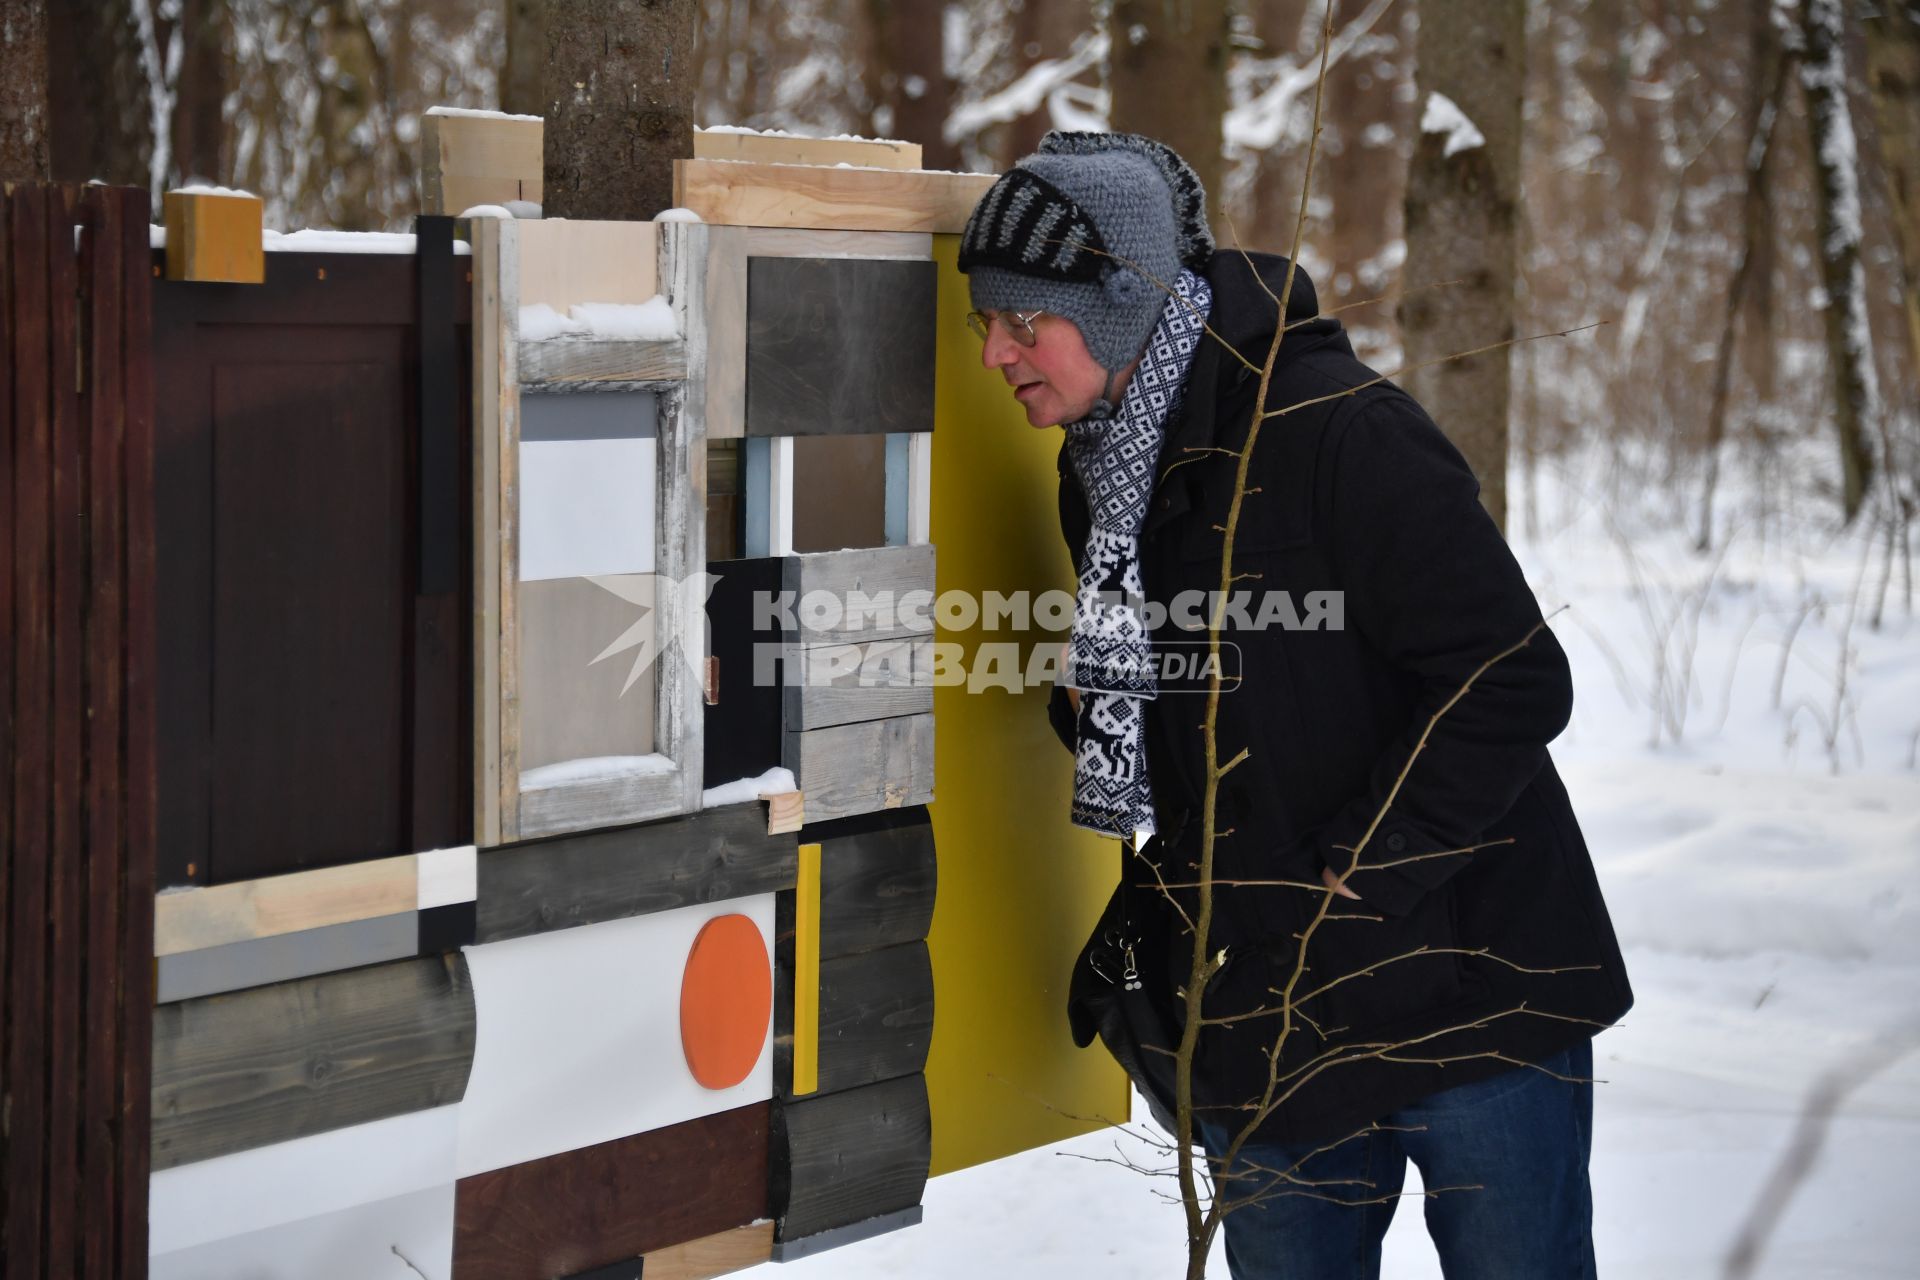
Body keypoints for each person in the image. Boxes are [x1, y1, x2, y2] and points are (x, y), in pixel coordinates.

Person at [957, 131, 1633, 1280]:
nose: (996, 354)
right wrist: (1100, 703)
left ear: (1123, 307)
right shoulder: (1107, 473)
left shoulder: (1339, 430)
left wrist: (1361, 870)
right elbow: (1217, 706)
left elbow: (1508, 679)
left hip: (1470, 979)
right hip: (1271, 1009)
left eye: (1026, 323)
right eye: (988, 324)